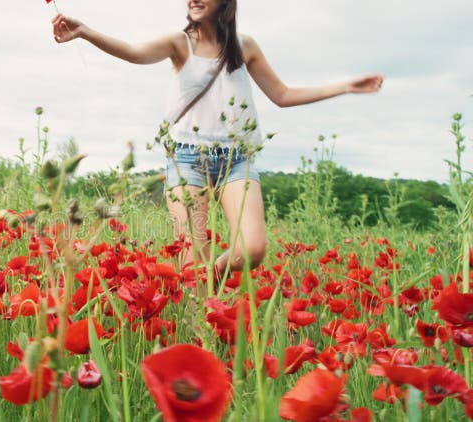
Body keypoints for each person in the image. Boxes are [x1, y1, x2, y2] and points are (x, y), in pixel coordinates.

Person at [52, 0, 383, 279]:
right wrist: (84, 31)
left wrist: (345, 86)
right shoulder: (180, 43)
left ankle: (207, 279)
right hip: (186, 160)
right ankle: (200, 323)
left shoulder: (244, 46)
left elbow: (282, 94)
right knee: (190, 258)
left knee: (251, 250)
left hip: (237, 159)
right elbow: (134, 53)